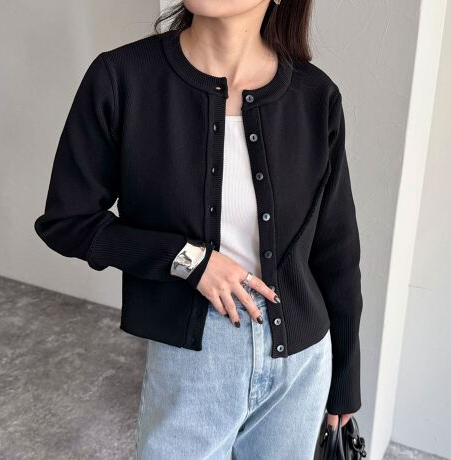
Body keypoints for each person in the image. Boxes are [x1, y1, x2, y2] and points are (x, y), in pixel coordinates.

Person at [34, 0, 364, 458]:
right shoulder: (123, 77)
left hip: (300, 364)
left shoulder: (316, 96)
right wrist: (190, 260)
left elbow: (337, 247)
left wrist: (346, 379)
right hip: (194, 356)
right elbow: (67, 222)